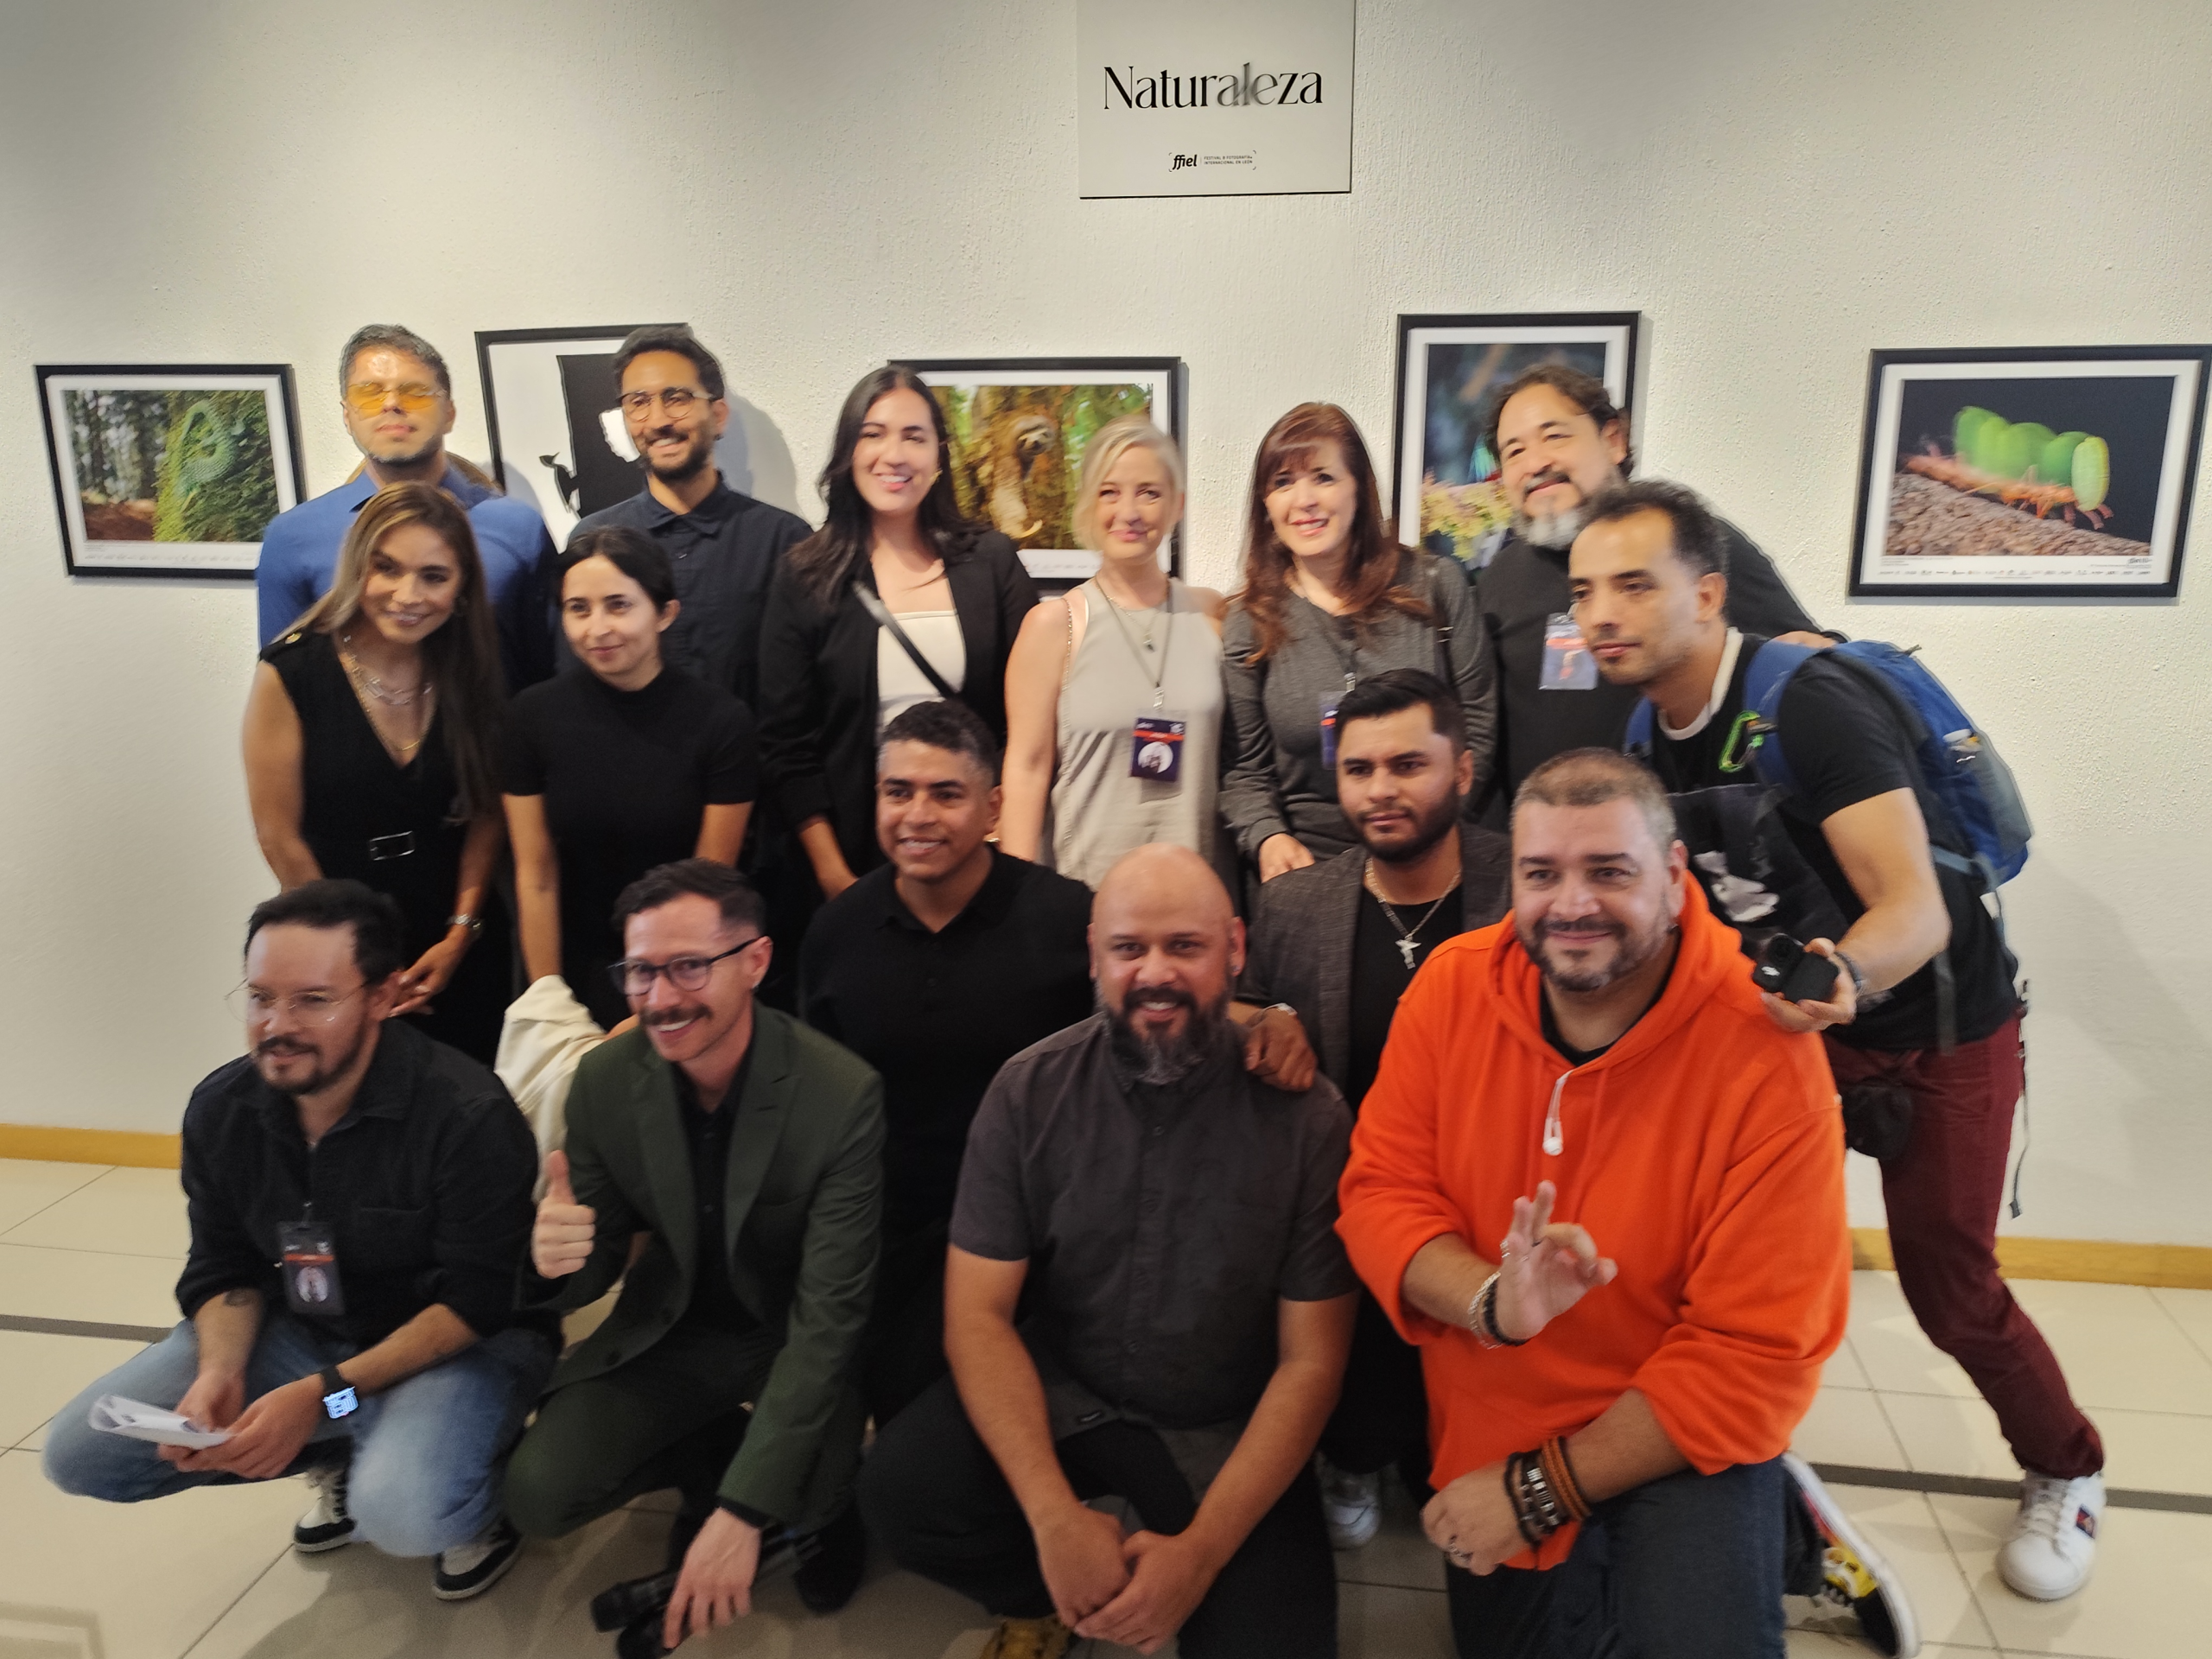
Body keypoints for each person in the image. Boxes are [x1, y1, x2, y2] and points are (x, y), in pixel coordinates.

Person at [1570, 479, 2107, 1605]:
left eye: (1632, 584)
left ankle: (2068, 1467)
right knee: (1718, 1272)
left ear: (1708, 594)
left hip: (1934, 1032)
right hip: (1789, 1033)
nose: (1600, 613)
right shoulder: (1638, 737)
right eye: (1584, 592)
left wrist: (1843, 976)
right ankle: (1742, 1478)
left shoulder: (1808, 703)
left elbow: (1914, 905)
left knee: (1950, 1290)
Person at [1336, 749, 1907, 1659]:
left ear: (1675, 880)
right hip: (1497, 1411)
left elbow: (1756, 1350)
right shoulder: (1448, 989)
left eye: (1609, 871)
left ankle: (1772, 1519)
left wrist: (1535, 1494)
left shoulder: (1768, 1053)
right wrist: (1493, 1302)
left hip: (1676, 1427)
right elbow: (1379, 1194)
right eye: (1541, 873)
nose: (1572, 904)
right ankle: (1783, 1528)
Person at [862, 843, 1358, 1659]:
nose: (1154, 974)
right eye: (1129, 949)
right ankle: (1043, 1598)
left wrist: (1199, 1557)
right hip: (1068, 1383)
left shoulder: (1309, 1122)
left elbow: (1312, 1365)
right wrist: (1054, 1518)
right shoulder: (1028, 1092)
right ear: (1094, 953)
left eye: (1185, 947)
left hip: (1217, 1416)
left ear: (1235, 949)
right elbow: (978, 1317)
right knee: (901, 1495)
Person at [44, 880, 554, 1602]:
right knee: (81, 1454)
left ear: (382, 996)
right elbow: (223, 1266)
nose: (275, 1025)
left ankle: (468, 1494)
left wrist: (322, 1397)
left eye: (313, 1000)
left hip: (446, 1352)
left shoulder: (466, 1117)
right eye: (259, 997)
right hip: (310, 1346)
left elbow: (479, 1303)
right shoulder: (223, 1110)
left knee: (403, 1515)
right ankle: (341, 1438)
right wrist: (219, 1373)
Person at [504, 859, 880, 1649]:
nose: (662, 997)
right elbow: (596, 1262)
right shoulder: (605, 1079)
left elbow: (827, 1324)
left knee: (816, 1491)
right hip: (668, 1329)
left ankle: (784, 1500)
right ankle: (711, 1457)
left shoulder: (841, 1094)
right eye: (641, 971)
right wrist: (554, 1257)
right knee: (539, 1495)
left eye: (688, 967)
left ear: (755, 962)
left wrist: (742, 1517)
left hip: (786, 1337)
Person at [1238, 668, 1511, 1548]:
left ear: (1462, 771)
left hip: (1491, 1204)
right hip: (1349, 1209)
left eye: (1407, 765)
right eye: (1358, 770)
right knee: (1360, 1405)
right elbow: (1236, 1002)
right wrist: (1268, 1016)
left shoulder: (1525, 888)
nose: (1380, 791)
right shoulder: (1295, 904)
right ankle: (1351, 1456)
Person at [799, 699, 1094, 1427]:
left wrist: (1267, 1019)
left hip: (1030, 1228)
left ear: (993, 806)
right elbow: (815, 1100)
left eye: (945, 793)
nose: (917, 815)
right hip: (883, 1216)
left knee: (931, 1394)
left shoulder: (1067, 918)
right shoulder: (838, 930)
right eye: (898, 792)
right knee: (860, 1385)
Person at [1471, 364, 1827, 811]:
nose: (1536, 463)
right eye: (1514, 451)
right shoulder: (1500, 578)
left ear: (1613, 440)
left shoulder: (1687, 545)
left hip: (1681, 840)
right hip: (1542, 849)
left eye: (1555, 437)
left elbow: (1806, 664)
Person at [245, 481, 512, 1064]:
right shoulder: (290, 673)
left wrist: (460, 934)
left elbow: (487, 814)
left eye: (434, 576)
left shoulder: (475, 673)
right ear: (357, 568)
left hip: (456, 946)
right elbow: (279, 837)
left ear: (462, 587)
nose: (407, 595)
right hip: (336, 950)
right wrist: (356, 965)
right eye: (386, 569)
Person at [759, 365, 1037, 902]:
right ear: (848, 452)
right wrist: (833, 875)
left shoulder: (991, 561)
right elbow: (785, 744)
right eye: (873, 434)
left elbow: (1027, 724)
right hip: (854, 860)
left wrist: (1003, 840)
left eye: (914, 436)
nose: (894, 454)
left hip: (978, 852)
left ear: (939, 455)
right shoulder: (805, 574)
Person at [1221, 403, 1497, 884]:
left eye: (1323, 478)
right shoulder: (1250, 619)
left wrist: (1436, 828)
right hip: (1306, 868)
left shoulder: (1435, 584)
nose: (1303, 499)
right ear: (1266, 505)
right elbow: (1244, 769)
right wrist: (1267, 836)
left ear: (1359, 490)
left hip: (1431, 854)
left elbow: (1476, 721)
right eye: (1283, 482)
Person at [505, 526, 758, 1030]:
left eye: (618, 605)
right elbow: (536, 875)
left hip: (684, 969)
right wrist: (548, 1003)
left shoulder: (721, 721)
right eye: (578, 608)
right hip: (571, 966)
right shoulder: (530, 716)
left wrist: (655, 1001)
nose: (597, 628)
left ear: (665, 613)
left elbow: (706, 889)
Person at [257, 323, 556, 690]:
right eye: (369, 393)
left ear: (448, 412)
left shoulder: (520, 528)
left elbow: (548, 679)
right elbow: (286, 686)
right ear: (347, 415)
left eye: (414, 393)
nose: (391, 404)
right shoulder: (292, 538)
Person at [1000, 416, 1227, 886]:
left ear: (1176, 505)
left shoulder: (1212, 616)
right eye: (1109, 492)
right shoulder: (1053, 625)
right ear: (1087, 504)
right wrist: (1017, 907)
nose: (1130, 511)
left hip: (1194, 902)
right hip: (1085, 904)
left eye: (1149, 492)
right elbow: (1025, 771)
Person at [563, 325, 812, 712]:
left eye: (676, 398)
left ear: (718, 415)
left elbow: (804, 689)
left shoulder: (782, 541)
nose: (658, 420)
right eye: (638, 402)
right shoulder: (593, 539)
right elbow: (573, 688)